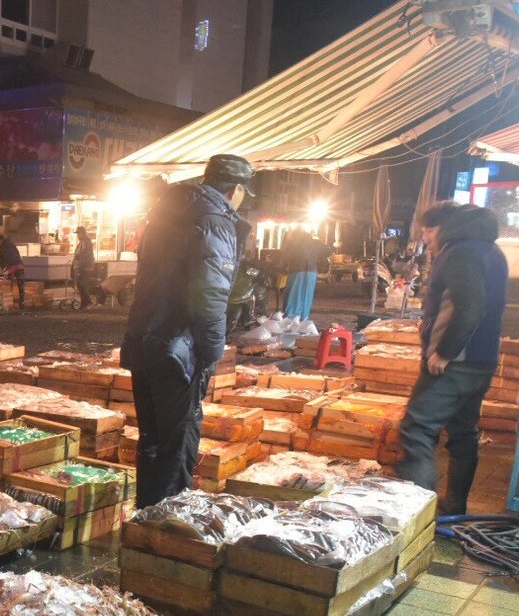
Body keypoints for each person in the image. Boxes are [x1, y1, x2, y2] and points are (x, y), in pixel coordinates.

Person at [122, 154, 254, 508]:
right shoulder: (215, 220)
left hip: (144, 340)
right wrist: (213, 351)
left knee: (151, 438)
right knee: (176, 445)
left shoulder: (166, 213)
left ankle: (145, 517)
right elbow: (209, 294)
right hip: (179, 350)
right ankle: (165, 529)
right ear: (236, 189)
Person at [396, 202, 509, 516]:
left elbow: (470, 307)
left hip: (454, 363)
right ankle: (455, 506)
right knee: (463, 432)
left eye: (428, 231)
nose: (426, 239)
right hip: (482, 361)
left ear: (445, 227)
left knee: (417, 429)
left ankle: (413, 515)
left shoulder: (460, 253)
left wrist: (445, 351)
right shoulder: (492, 251)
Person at [279, 227, 331, 322]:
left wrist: (282, 266)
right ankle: (303, 318)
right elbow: (327, 251)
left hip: (296, 271)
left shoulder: (294, 243)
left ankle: (290, 318)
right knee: (307, 295)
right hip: (311, 272)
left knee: (293, 294)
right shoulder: (315, 242)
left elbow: (286, 256)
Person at [0, 232, 25, 310]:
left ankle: (10, 304)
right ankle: (22, 303)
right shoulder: (12, 243)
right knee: (21, 285)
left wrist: (3, 270)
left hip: (10, 267)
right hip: (19, 265)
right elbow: (18, 253)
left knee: (9, 285)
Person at [72, 226, 99, 306]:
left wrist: (77, 260)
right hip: (82, 266)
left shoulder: (86, 242)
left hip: (86, 266)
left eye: (79, 233)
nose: (78, 236)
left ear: (83, 233)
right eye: (77, 234)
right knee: (80, 284)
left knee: (83, 284)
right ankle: (84, 303)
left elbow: (85, 254)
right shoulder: (82, 242)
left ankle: (88, 302)